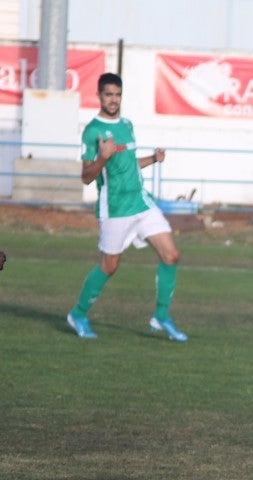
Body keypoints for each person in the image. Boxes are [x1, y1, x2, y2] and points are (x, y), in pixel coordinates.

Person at [67, 72, 186, 342]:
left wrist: (153, 159)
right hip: (116, 208)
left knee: (172, 256)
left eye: (117, 94)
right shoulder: (93, 131)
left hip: (141, 203)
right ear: (99, 96)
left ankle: (161, 316)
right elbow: (87, 177)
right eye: (108, 94)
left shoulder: (127, 125)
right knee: (109, 267)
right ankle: (78, 313)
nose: (113, 99)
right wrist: (102, 157)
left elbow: (129, 165)